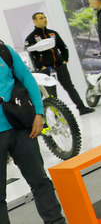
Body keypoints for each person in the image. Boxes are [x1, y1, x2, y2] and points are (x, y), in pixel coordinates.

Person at [0, 40, 67, 224]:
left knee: (39, 180)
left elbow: (28, 79)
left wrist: (38, 112)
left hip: (20, 126)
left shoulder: (4, 51)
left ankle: (56, 221)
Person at [24, 13, 94, 115]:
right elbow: (30, 54)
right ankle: (57, 116)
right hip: (46, 70)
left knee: (70, 87)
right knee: (51, 93)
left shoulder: (53, 33)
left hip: (60, 66)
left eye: (45, 17)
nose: (44, 20)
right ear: (35, 21)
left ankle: (82, 108)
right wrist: (40, 66)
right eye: (41, 18)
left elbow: (63, 47)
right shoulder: (30, 38)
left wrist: (64, 60)